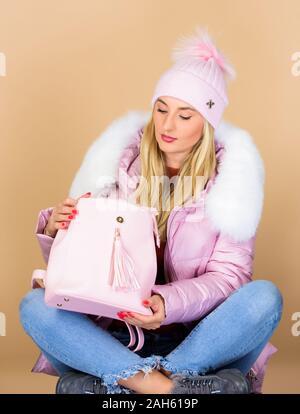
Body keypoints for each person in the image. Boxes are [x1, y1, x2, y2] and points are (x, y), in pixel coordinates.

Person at [19, 26, 283, 394]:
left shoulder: (231, 187)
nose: (167, 125)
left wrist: (165, 303)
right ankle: (172, 389)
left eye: (184, 115)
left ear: (207, 125)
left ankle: (125, 383)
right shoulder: (115, 168)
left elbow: (229, 279)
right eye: (161, 109)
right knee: (35, 305)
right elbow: (78, 270)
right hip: (118, 338)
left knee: (264, 298)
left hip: (200, 341)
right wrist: (57, 230)